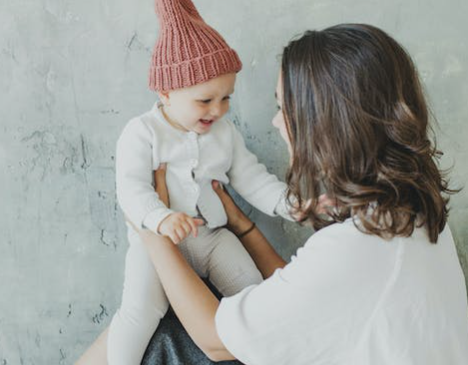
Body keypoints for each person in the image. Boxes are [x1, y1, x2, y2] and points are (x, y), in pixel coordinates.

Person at [134, 24, 468, 364]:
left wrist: (150, 225)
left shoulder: (360, 244)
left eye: (285, 108)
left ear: (323, 121)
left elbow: (214, 341)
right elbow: (302, 298)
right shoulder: (408, 212)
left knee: (168, 341)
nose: (278, 123)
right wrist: (245, 228)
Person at [98, 0, 292, 364]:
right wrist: (160, 217)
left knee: (252, 290)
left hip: (214, 237)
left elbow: (250, 177)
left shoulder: (224, 132)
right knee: (139, 313)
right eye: (205, 100)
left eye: (226, 98)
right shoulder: (142, 132)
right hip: (157, 242)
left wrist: (286, 203)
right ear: (166, 93)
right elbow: (130, 190)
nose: (217, 110)